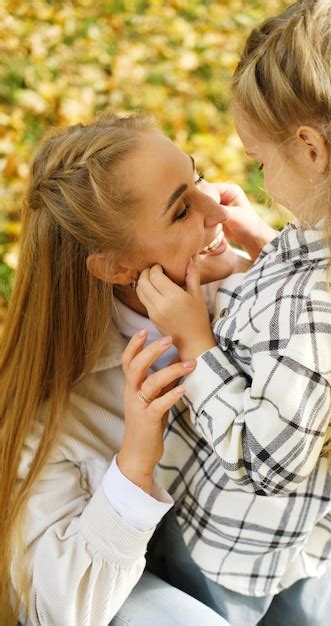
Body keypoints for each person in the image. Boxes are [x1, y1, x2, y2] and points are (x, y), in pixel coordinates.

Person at [137, 1, 331, 625]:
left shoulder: (319, 312)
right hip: (304, 531)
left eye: (262, 162)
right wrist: (256, 246)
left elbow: (261, 460)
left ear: (312, 150)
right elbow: (301, 327)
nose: (258, 179)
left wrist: (193, 342)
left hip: (229, 545)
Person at [0, 112, 259, 625]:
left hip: (256, 553)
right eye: (182, 211)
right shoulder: (57, 403)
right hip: (135, 577)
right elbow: (55, 607)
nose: (216, 210)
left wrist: (268, 254)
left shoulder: (237, 280)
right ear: (117, 267)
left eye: (198, 176)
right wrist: (134, 462)